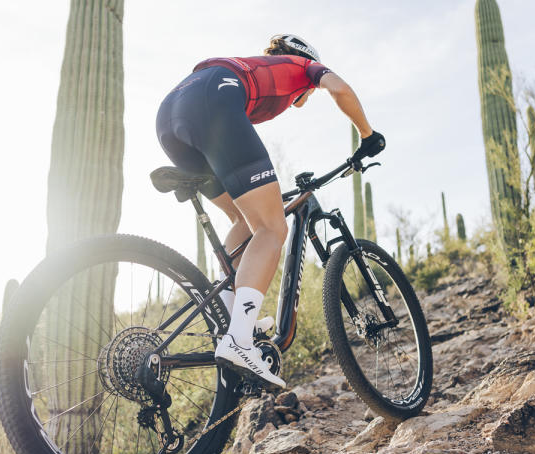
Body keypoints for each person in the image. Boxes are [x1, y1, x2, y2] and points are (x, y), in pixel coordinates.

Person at [155, 34, 385, 389]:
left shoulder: (258, 70)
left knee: (244, 221)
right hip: (214, 100)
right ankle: (239, 340)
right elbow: (340, 89)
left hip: (171, 114)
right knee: (272, 227)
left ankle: (232, 318)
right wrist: (368, 135)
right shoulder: (303, 67)